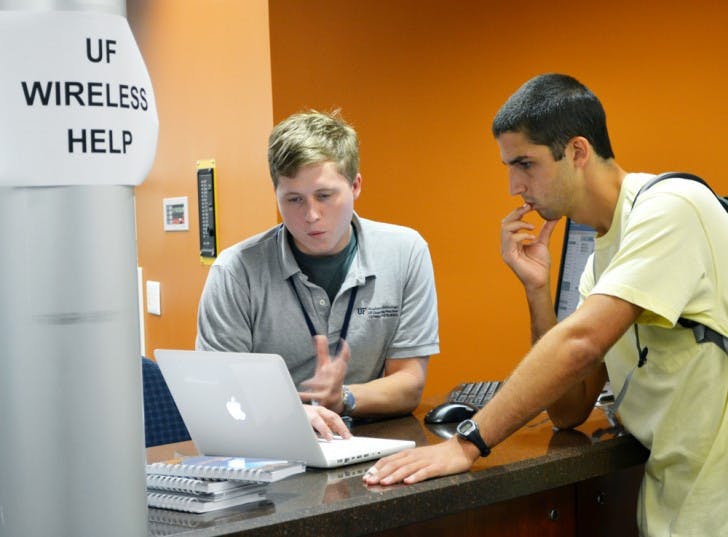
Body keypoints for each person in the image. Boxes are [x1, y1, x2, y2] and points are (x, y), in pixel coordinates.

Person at [364, 74, 728, 537]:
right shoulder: (602, 260)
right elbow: (569, 408)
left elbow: (581, 341)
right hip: (672, 507)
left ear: (577, 152)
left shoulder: (674, 207)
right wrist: (537, 290)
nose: (514, 185)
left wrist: (467, 442)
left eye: (525, 164)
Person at [196, 110, 439, 429]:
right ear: (276, 195)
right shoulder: (234, 271)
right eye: (294, 199)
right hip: (267, 441)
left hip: (367, 442)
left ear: (355, 186)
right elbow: (217, 391)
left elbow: (409, 383)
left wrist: (344, 398)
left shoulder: (405, 252)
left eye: (325, 196)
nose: (311, 215)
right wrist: (291, 415)